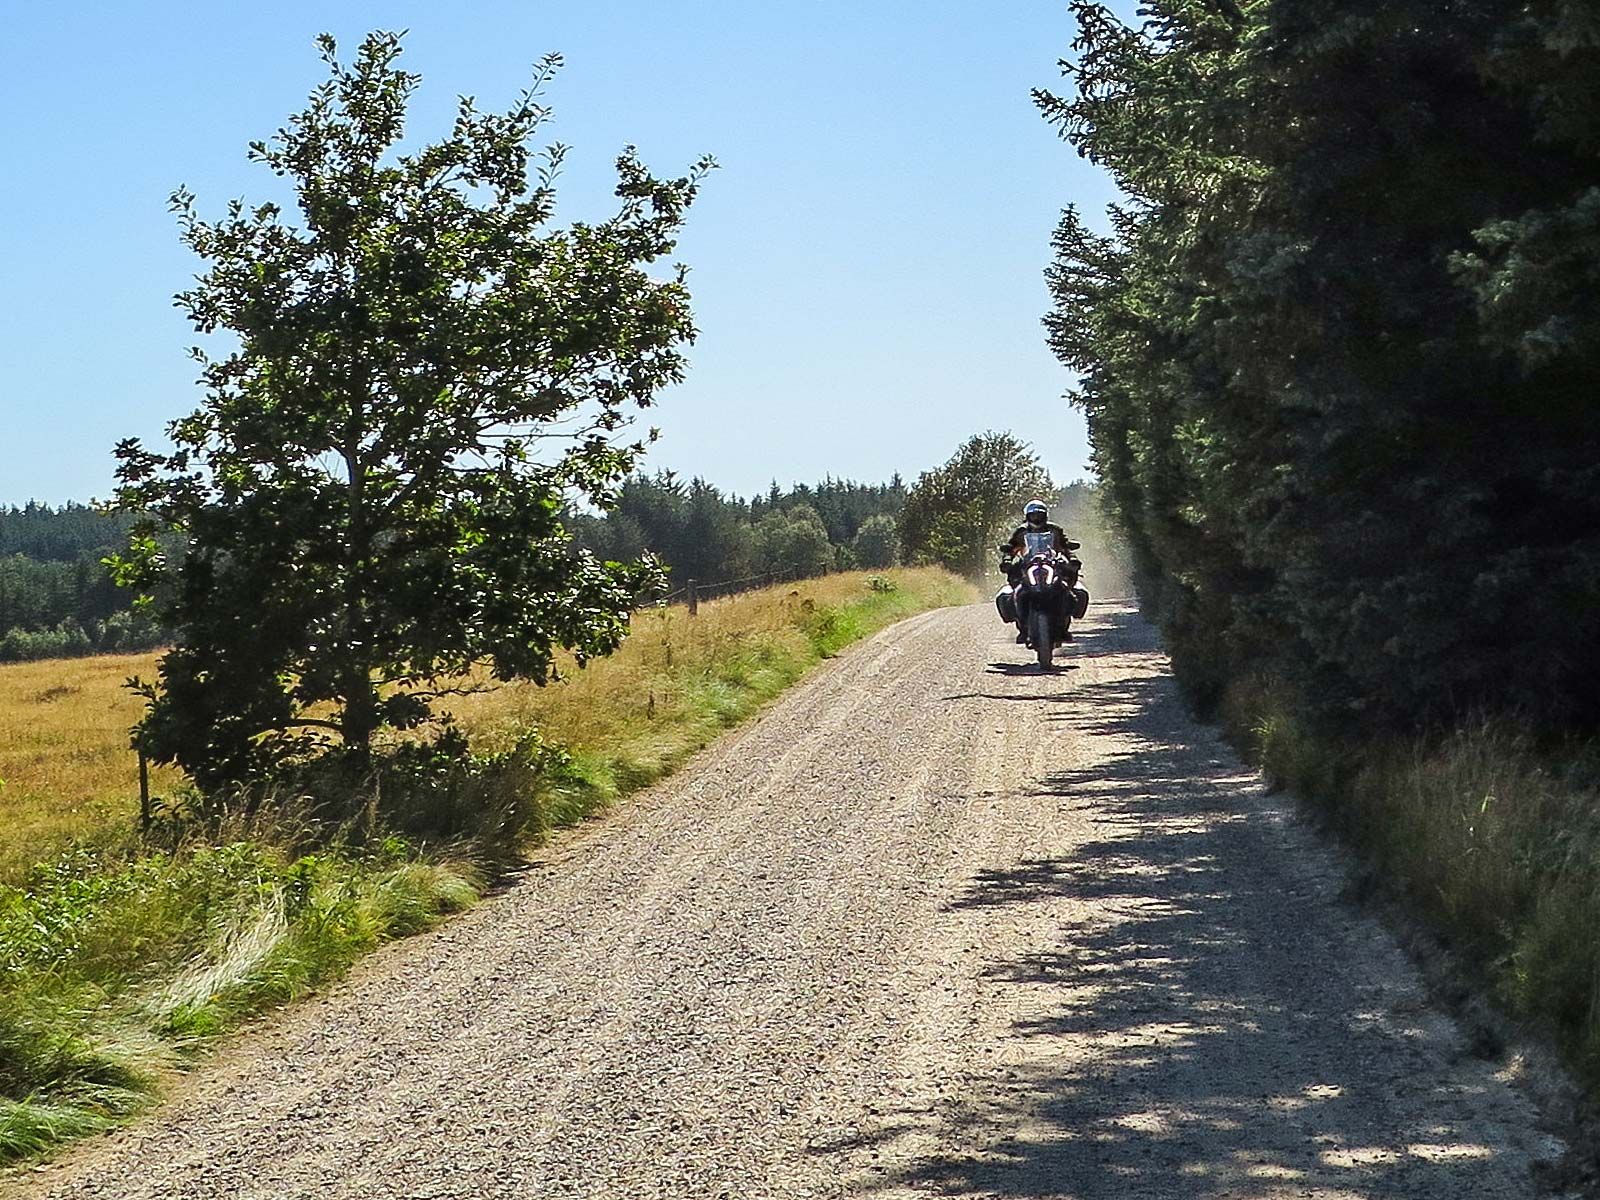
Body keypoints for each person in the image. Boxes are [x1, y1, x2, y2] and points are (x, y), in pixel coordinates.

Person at [999, 500, 1082, 644]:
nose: (1036, 519)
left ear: (1045, 516)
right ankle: (1022, 626)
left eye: (1039, 515)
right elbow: (1012, 548)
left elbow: (1065, 547)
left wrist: (1073, 560)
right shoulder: (1021, 531)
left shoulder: (1055, 530)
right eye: (1033, 516)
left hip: (1051, 563)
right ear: (1027, 516)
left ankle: (1064, 624)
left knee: (1066, 588)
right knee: (1016, 588)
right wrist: (1007, 560)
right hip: (1028, 563)